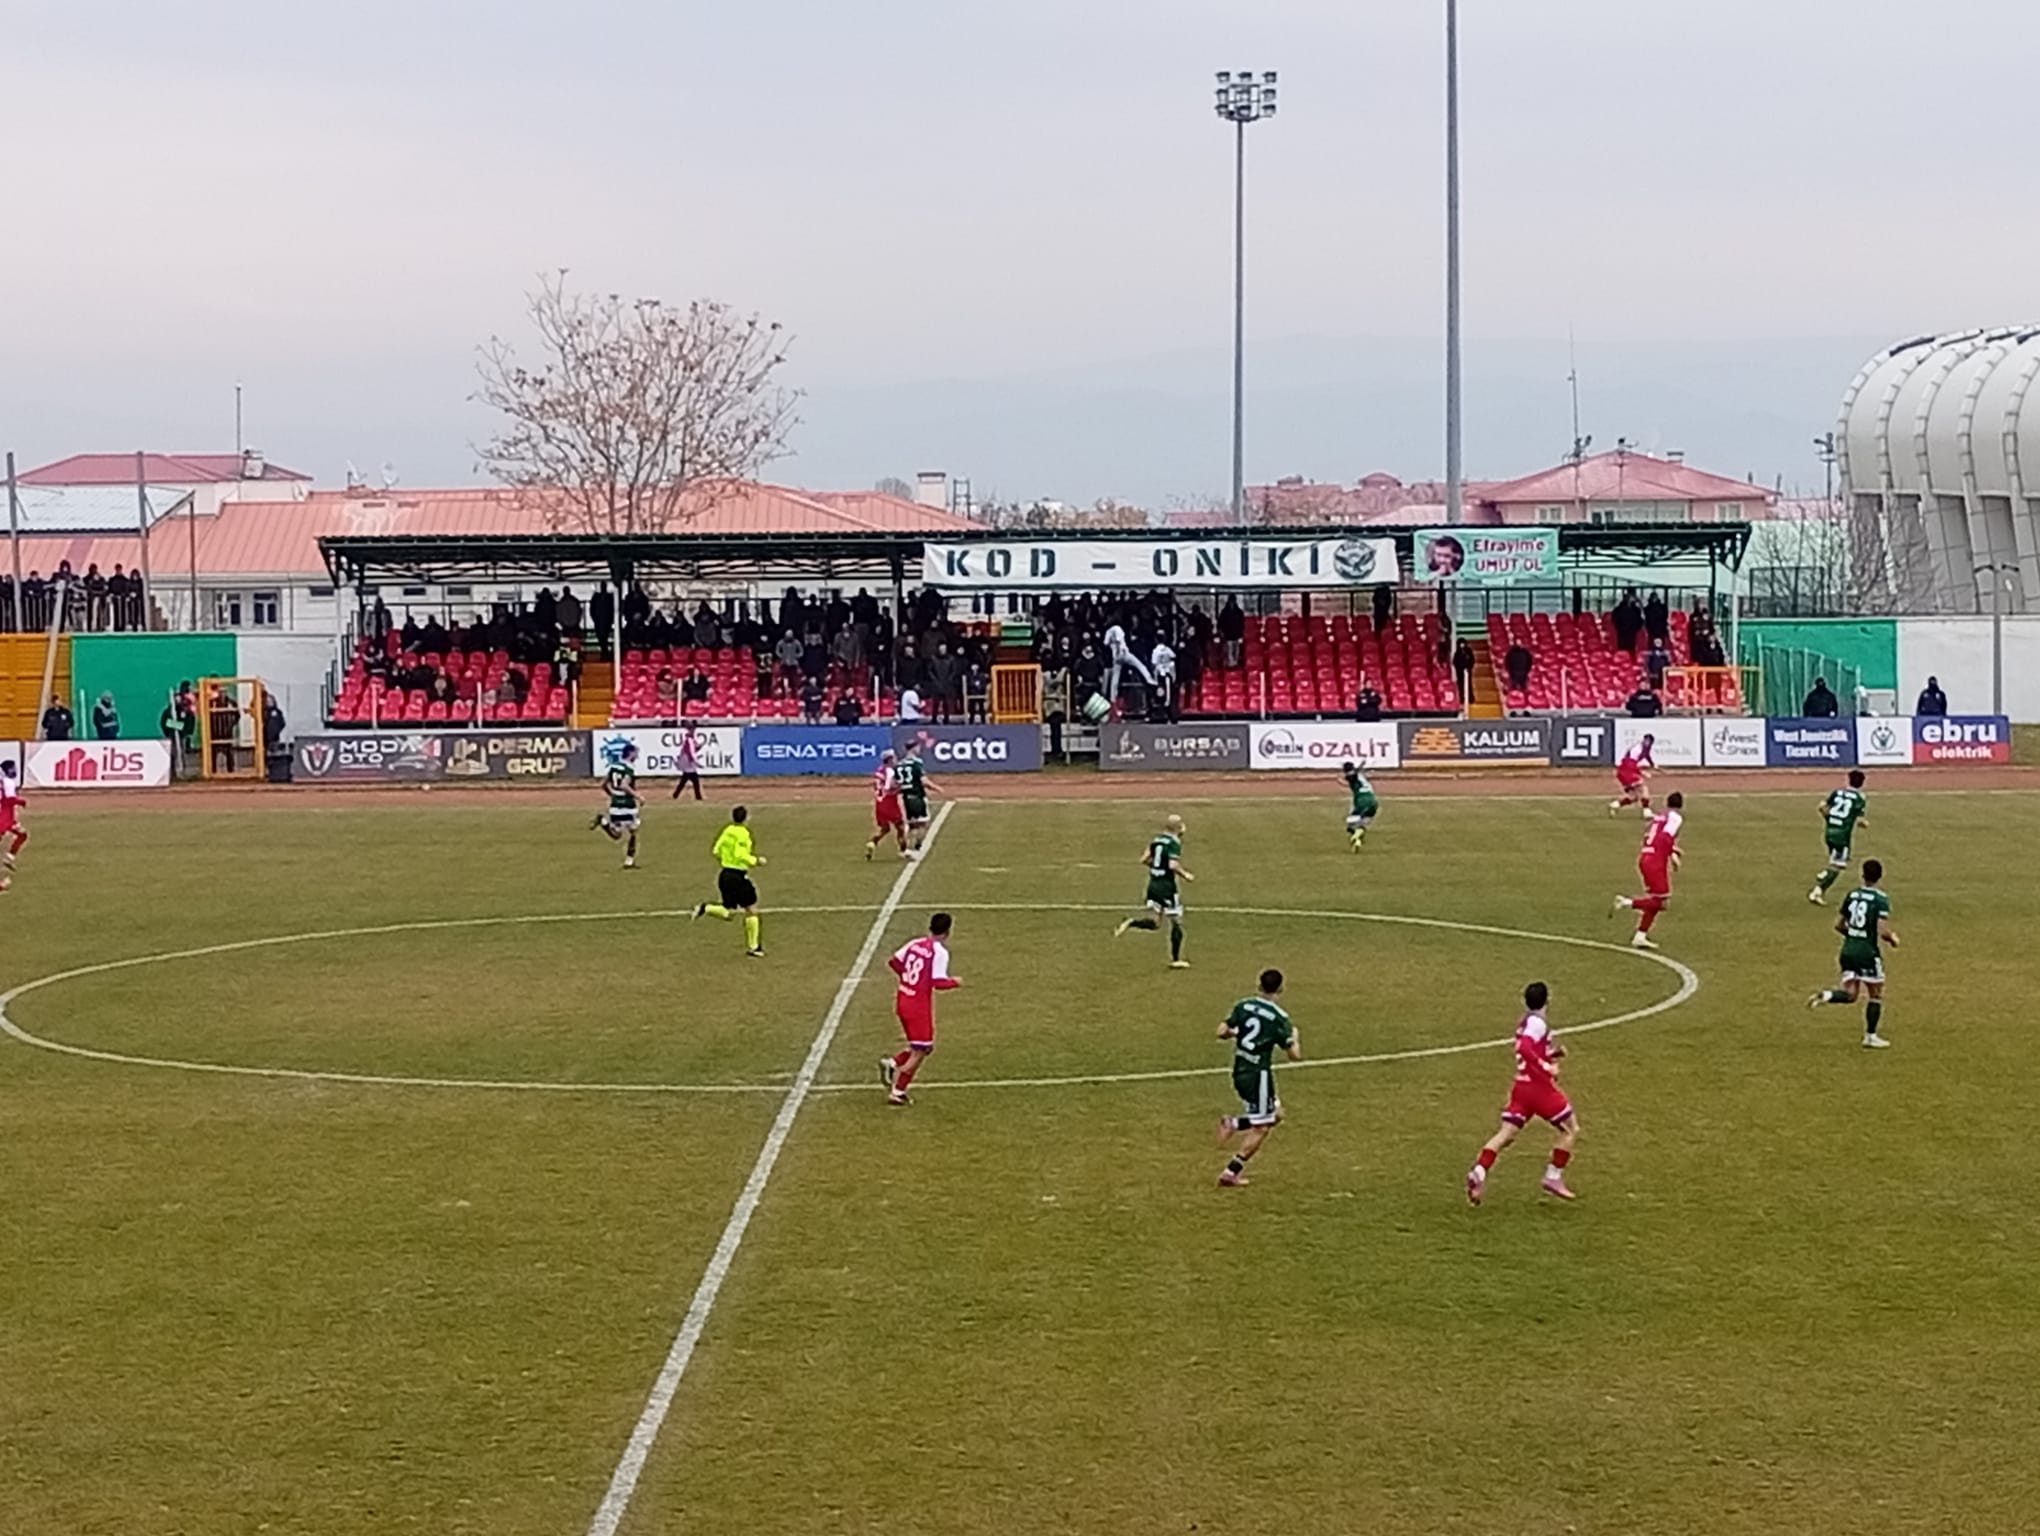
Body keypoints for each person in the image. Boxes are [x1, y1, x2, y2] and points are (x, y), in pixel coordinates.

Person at [1466, 981, 1578, 1205]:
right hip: (1540, 1090)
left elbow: (1532, 1052)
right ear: (1547, 1000)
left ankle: (1479, 1172)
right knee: (1571, 1129)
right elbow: (1525, 1049)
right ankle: (1553, 1176)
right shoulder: (1537, 1024)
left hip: (1522, 1088)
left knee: (1506, 1134)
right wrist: (1547, 1068)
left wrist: (1553, 1055)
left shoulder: (1526, 1022)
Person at [1214, 969, 1301, 1189]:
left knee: (1277, 1114)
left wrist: (1235, 1034)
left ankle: (1233, 1124)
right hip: (1258, 1077)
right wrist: (1295, 1039)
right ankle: (1230, 1172)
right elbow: (1294, 1056)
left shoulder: (1243, 1006)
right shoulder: (1280, 1019)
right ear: (1280, 988)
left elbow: (1221, 1031)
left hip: (1240, 1070)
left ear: (1259, 985)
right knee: (1262, 1127)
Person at [1807, 858, 1899, 1049]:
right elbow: (1883, 931)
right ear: (1880, 876)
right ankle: (1870, 1036)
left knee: (1851, 994)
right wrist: (1893, 939)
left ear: (1862, 875)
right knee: (1876, 994)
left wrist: (1854, 935)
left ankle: (1826, 996)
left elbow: (1838, 924)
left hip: (1848, 950)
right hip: (1867, 953)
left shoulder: (1852, 895)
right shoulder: (1880, 899)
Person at [881, 912, 961, 1106]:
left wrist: (907, 978)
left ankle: (893, 1063)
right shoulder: (939, 952)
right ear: (948, 931)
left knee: (919, 1045)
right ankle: (897, 1089)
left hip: (903, 998)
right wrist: (955, 982)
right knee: (922, 1049)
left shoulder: (915, 943)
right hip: (918, 1006)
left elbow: (893, 962)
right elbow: (938, 982)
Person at [1113, 813, 1192, 969]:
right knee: (1176, 921)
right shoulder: (1174, 843)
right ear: (1178, 828)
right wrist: (1186, 875)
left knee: (1155, 923)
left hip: (1153, 884)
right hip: (1166, 887)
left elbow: (1144, 859)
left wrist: (1156, 867)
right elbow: (1172, 865)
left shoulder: (1156, 841)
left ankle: (1131, 922)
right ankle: (1176, 960)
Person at [1612, 791, 1684, 950]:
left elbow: (1650, 837)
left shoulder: (1658, 818)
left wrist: (1672, 850)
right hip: (1655, 862)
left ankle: (1640, 936)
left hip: (1646, 858)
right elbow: (1665, 838)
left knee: (1658, 902)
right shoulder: (1675, 818)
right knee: (1662, 902)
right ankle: (1627, 902)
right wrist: (1672, 855)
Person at [694, 805, 765, 957]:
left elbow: (716, 850)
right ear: (746, 818)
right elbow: (740, 854)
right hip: (737, 876)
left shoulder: (727, 831)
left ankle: (706, 908)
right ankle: (754, 947)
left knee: (729, 912)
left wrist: (726, 859)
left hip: (724, 874)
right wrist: (755, 860)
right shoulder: (743, 833)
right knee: (752, 909)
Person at [1808, 769, 1869, 905]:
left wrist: (1830, 819)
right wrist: (1864, 823)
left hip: (1829, 831)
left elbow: (1822, 807)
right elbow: (1860, 820)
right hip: (1842, 835)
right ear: (1862, 783)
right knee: (1839, 865)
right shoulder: (1860, 799)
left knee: (1834, 857)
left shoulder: (1838, 792)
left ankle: (1825, 873)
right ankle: (1817, 891)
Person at [592, 743, 643, 868]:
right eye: (636, 753)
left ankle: (604, 822)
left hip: (615, 804)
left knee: (617, 834)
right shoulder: (629, 768)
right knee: (633, 831)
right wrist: (638, 796)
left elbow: (603, 784)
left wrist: (613, 795)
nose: (637, 755)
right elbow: (624, 785)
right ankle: (629, 861)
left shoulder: (614, 766)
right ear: (630, 753)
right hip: (627, 804)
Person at [865, 750, 908, 860]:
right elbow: (890, 788)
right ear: (889, 759)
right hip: (889, 802)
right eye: (894, 758)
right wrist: (901, 788)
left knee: (885, 829)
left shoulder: (879, 771)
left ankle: (872, 843)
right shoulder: (890, 772)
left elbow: (877, 786)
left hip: (879, 802)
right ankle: (903, 851)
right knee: (900, 827)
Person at [898, 741, 938, 853]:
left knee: (912, 824)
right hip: (917, 795)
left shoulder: (900, 764)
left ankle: (905, 847)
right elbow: (923, 780)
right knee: (923, 824)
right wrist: (936, 788)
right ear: (913, 748)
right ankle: (917, 846)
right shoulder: (917, 762)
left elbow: (896, 783)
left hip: (906, 797)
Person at [1610, 734, 1655, 817]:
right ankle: (1646, 812)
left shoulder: (1644, 749)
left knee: (1633, 797)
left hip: (1623, 772)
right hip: (1627, 772)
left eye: (1649, 741)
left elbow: (1647, 755)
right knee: (1643, 789)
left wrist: (1652, 764)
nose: (1647, 743)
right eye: (1646, 740)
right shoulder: (1637, 750)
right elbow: (1630, 764)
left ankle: (1615, 805)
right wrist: (1642, 773)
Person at [0, 757, 26, 893]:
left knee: (22, 834)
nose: (14, 770)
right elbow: (8, 800)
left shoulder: (5, 782)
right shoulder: (8, 782)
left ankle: (9, 858)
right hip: (3, 819)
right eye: (12, 768)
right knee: (22, 835)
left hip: (7, 818)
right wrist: (20, 801)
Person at [1343, 760, 1379, 851]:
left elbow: (1351, 776)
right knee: (1364, 822)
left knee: (1350, 825)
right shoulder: (1360, 776)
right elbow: (1355, 774)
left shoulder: (1351, 777)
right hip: (1373, 801)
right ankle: (1358, 839)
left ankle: (1355, 836)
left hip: (1361, 801)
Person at [669, 723, 705, 801]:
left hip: (688, 763)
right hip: (688, 763)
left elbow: (692, 750)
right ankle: (698, 796)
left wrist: (698, 748)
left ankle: (676, 794)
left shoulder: (690, 740)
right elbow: (690, 753)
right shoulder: (689, 740)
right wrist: (696, 763)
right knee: (694, 780)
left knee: (685, 779)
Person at [1451, 636, 1476, 708]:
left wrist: (1469, 668)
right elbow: (1455, 661)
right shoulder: (1457, 652)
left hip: (1467, 672)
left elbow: (1472, 660)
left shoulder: (1468, 651)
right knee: (1460, 686)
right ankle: (1462, 699)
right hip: (1459, 672)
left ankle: (1470, 698)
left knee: (1469, 685)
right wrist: (1458, 669)